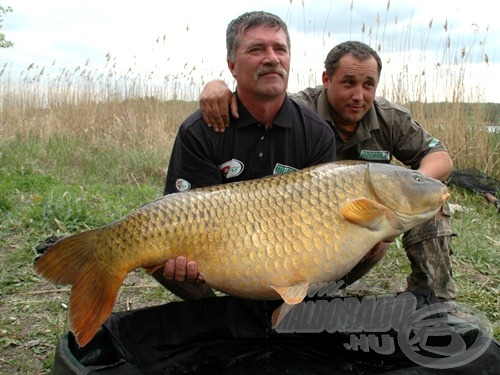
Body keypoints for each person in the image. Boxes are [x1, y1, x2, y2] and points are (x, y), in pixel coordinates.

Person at [197, 40, 456, 302]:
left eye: (368, 85)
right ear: (327, 80)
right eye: (348, 83)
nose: (359, 96)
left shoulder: (390, 117)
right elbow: (257, 105)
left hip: (359, 222)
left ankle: (434, 296)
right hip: (302, 224)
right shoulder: (299, 111)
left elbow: (440, 157)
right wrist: (217, 86)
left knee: (431, 201)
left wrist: (409, 187)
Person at [150, 11, 337, 300]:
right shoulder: (200, 130)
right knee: (160, 253)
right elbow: (188, 218)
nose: (272, 58)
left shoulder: (316, 133)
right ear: (232, 66)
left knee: (373, 243)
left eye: (280, 49)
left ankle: (305, 304)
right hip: (221, 255)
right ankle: (216, 315)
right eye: (256, 49)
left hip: (292, 252)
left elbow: (321, 225)